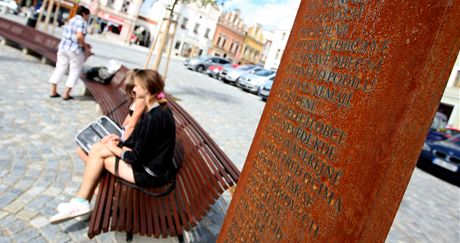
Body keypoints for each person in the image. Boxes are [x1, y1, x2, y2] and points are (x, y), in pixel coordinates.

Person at [50, 69, 176, 224]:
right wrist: (119, 141)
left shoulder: (155, 117)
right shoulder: (158, 110)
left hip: (150, 175)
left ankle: (80, 203)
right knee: (99, 148)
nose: (134, 89)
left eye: (136, 86)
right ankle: (80, 203)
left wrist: (114, 149)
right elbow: (139, 141)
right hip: (150, 166)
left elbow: (135, 158)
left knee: (101, 155)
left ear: (147, 89)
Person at [48, 6, 91, 100]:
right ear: (84, 14)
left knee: (60, 67)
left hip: (63, 47)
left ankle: (53, 91)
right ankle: (66, 94)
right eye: (88, 15)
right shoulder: (82, 22)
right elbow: (79, 36)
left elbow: (71, 36)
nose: (88, 17)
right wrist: (86, 47)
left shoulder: (71, 20)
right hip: (75, 50)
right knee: (75, 70)